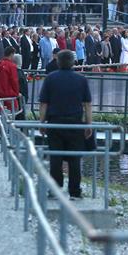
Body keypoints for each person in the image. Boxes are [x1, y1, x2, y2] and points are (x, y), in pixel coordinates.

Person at [38, 50, 92, 199]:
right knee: (75, 158)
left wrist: (42, 123)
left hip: (55, 122)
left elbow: (44, 103)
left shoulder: (50, 78)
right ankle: (75, 191)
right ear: (73, 62)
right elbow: (87, 104)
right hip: (75, 123)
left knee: (55, 158)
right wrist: (89, 124)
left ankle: (55, 190)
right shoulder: (81, 79)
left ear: (58, 62)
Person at [0, 46, 20, 113]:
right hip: (8, 93)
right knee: (14, 111)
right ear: (11, 54)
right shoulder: (11, 66)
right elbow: (14, 81)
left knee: (0, 113)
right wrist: (16, 93)